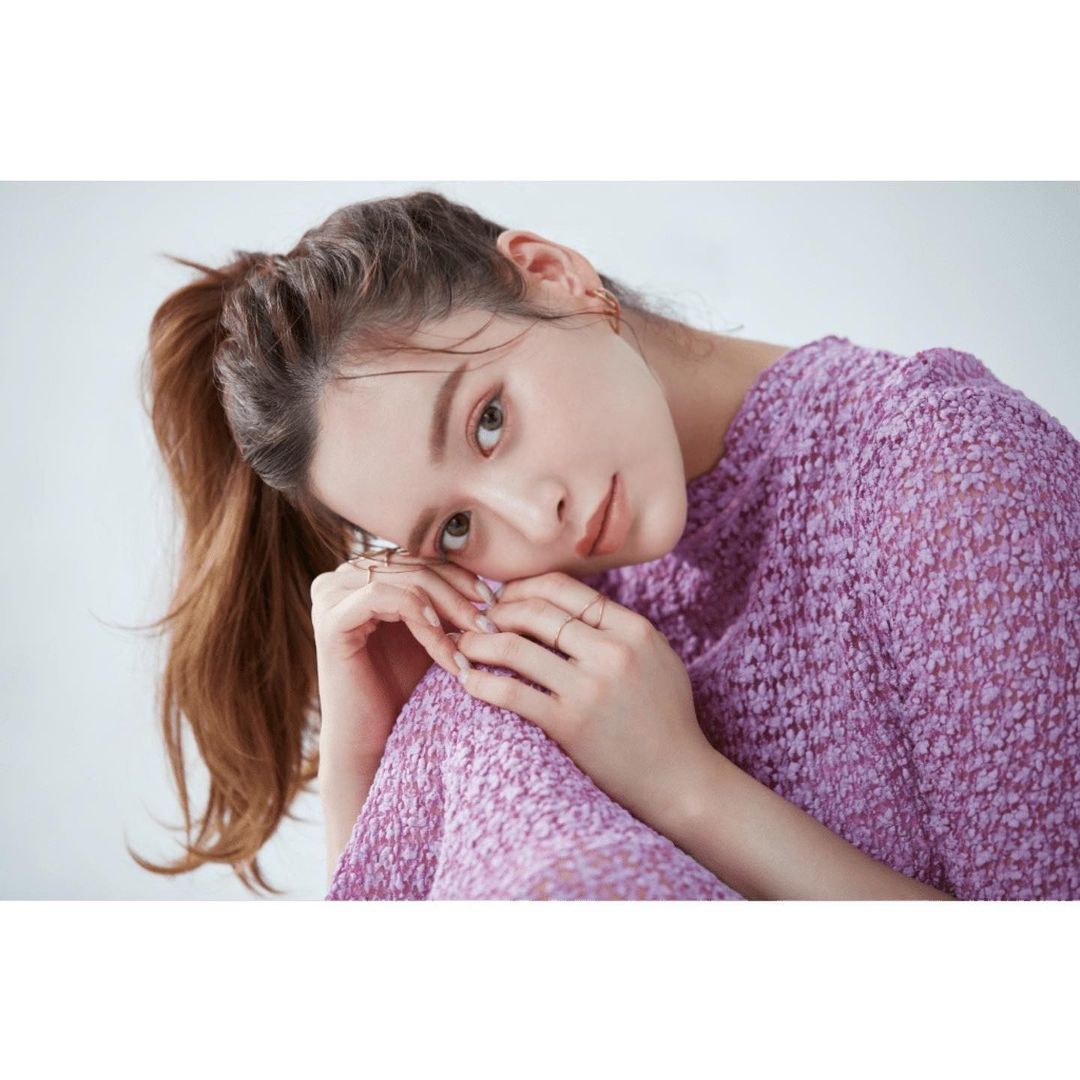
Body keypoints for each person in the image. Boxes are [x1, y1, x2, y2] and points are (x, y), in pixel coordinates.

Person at [132, 189, 1079, 900]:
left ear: (555, 275)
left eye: (490, 420)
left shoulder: (947, 477)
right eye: (455, 527)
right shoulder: (552, 621)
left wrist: (685, 787)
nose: (532, 515)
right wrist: (367, 757)